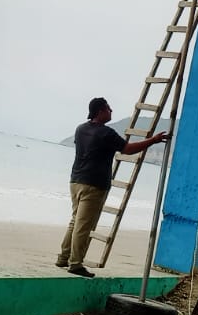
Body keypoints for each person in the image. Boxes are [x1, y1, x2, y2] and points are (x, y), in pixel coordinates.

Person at [55, 97, 170, 277]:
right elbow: (128, 149)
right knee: (83, 226)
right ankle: (75, 264)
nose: (111, 111)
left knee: (75, 220)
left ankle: (63, 257)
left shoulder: (81, 129)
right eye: (108, 109)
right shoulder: (105, 133)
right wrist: (152, 140)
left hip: (76, 181)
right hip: (94, 184)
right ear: (100, 111)